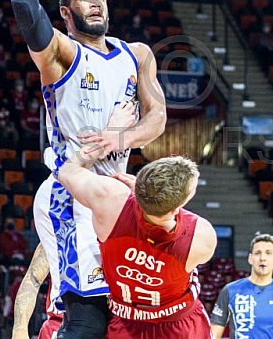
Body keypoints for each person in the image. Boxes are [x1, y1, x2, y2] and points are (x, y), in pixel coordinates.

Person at [0, 0, 167, 339]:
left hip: (118, 191)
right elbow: (25, 9)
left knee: (125, 312)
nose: (96, 0)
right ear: (66, 11)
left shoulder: (136, 54)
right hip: (71, 193)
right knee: (84, 310)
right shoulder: (60, 55)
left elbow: (157, 119)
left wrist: (122, 139)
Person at [56, 141, 217, 337]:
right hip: (179, 326)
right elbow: (170, 220)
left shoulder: (110, 199)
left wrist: (106, 138)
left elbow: (65, 171)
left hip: (125, 325)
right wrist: (153, 201)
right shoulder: (202, 236)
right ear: (176, 208)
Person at [211, 233, 273, 339]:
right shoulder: (230, 290)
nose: (262, 258)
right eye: (257, 253)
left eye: (268, 253)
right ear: (250, 258)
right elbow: (214, 334)